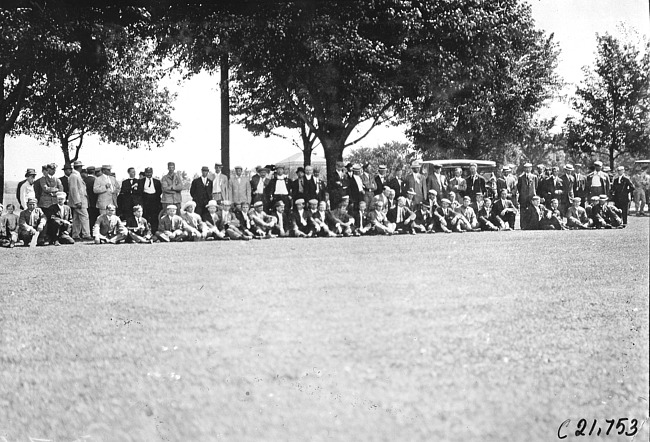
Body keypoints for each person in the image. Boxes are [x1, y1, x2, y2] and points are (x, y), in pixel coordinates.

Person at [68, 160, 92, 241]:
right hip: (79, 201)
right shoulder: (74, 176)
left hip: (80, 200)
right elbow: (73, 189)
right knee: (84, 217)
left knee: (77, 218)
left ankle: (76, 234)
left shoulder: (75, 175)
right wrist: (77, 201)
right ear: (80, 167)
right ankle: (86, 234)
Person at [138, 167, 163, 233]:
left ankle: (154, 231)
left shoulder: (157, 181)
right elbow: (139, 192)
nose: (149, 174)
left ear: (152, 173)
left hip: (154, 200)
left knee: (154, 216)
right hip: (145, 199)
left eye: (150, 172)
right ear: (145, 173)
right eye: (147, 172)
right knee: (145, 215)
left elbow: (159, 191)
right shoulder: (141, 181)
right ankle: (145, 231)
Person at [517, 162, 538, 228]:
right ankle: (523, 226)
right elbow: (519, 187)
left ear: (531, 168)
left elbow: (536, 186)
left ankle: (530, 225)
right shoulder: (521, 177)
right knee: (523, 212)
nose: (527, 169)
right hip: (523, 198)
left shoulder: (534, 177)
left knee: (532, 212)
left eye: (529, 168)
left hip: (531, 198)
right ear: (524, 169)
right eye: (526, 168)